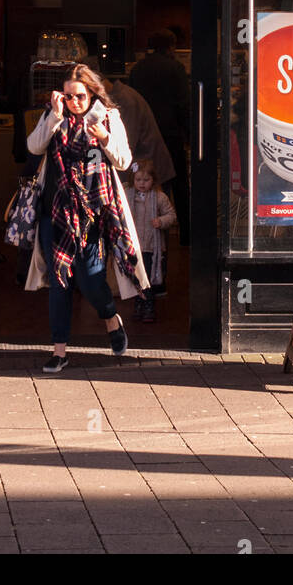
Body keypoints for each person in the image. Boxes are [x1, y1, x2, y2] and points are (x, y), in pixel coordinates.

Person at [24, 63, 149, 373]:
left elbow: (123, 161)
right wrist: (54, 115)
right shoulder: (55, 116)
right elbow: (33, 146)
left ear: (92, 94)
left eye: (79, 96)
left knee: (91, 280)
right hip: (56, 213)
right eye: (67, 96)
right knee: (59, 283)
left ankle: (110, 317)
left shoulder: (108, 117)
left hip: (93, 215)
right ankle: (59, 351)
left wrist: (105, 137)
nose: (73, 102)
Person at [128, 31, 190, 244]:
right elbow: (184, 105)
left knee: (146, 182)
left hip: (145, 138)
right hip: (171, 134)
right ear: (170, 47)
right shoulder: (176, 68)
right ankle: (185, 235)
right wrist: (190, 136)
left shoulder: (137, 70)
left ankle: (146, 232)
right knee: (179, 184)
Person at [123, 158, 176, 323]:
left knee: (148, 278)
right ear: (133, 180)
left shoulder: (159, 197)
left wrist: (161, 221)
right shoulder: (128, 195)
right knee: (136, 277)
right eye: (138, 179)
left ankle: (148, 306)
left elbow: (171, 215)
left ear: (153, 180)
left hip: (151, 247)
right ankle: (138, 304)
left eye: (146, 180)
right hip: (134, 245)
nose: (142, 183)